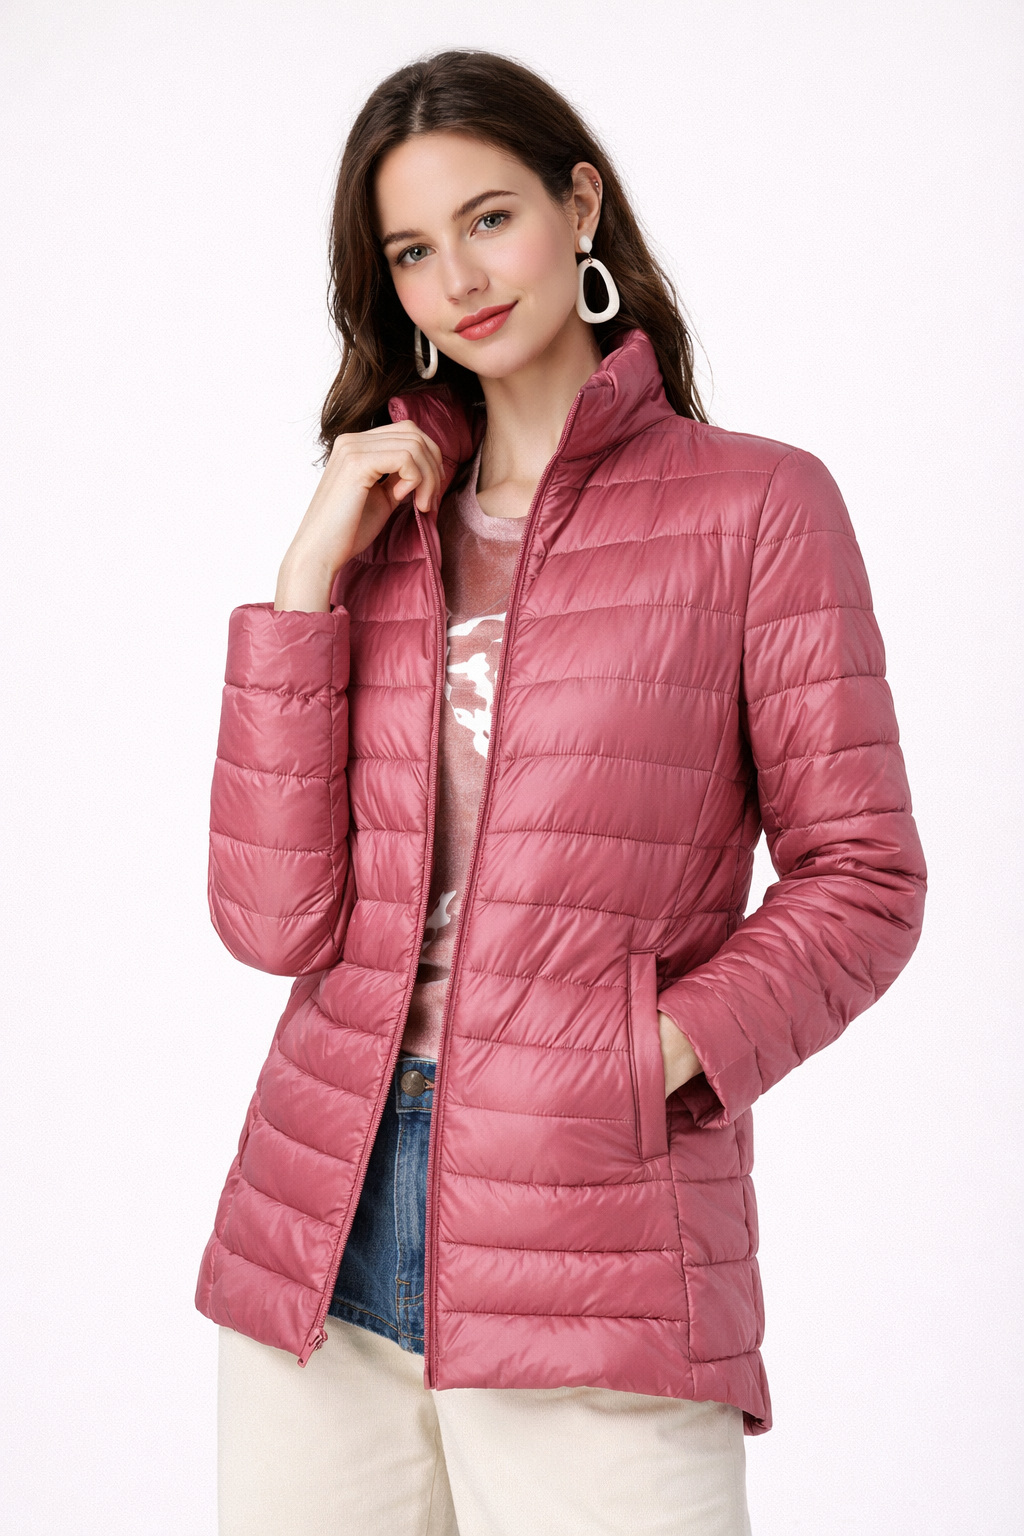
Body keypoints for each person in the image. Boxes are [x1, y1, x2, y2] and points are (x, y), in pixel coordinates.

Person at [197, 49, 926, 1536]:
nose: (460, 278)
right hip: (319, 1233)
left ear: (578, 204)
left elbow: (865, 879)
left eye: (490, 218)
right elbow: (273, 927)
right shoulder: (380, 532)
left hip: (593, 1230)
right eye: (413, 249)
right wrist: (302, 587)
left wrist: (640, 1061)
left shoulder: (756, 505)